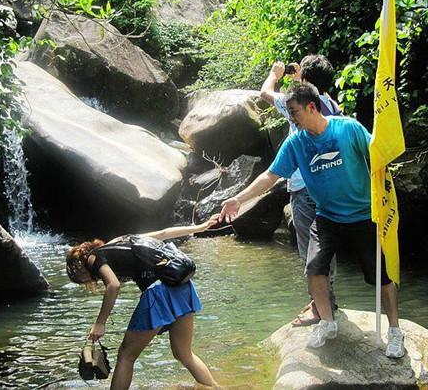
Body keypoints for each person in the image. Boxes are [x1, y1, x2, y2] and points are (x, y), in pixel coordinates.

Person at [220, 82, 405, 358]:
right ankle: (328, 323)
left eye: (294, 112)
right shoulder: (296, 142)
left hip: (363, 215)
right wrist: (239, 198)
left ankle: (395, 331)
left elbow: (378, 157)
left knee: (380, 275)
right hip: (326, 215)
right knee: (314, 268)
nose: (291, 118)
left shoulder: (348, 129)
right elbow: (271, 176)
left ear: (311, 107)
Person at [66, 217, 219, 389]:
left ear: (78, 267)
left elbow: (113, 285)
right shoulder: (122, 241)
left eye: (82, 280)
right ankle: (216, 388)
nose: (89, 282)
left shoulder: (93, 258)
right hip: (181, 285)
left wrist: (100, 323)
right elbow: (164, 234)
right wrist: (201, 227)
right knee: (184, 353)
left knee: (126, 355)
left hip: (159, 290)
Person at [260, 55, 340, 326]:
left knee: (309, 249)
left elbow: (265, 93)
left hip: (303, 187)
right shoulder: (330, 106)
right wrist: (301, 79)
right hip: (329, 187)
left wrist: (276, 73)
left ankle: (319, 308)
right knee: (326, 244)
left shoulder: (296, 106)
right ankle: (327, 301)